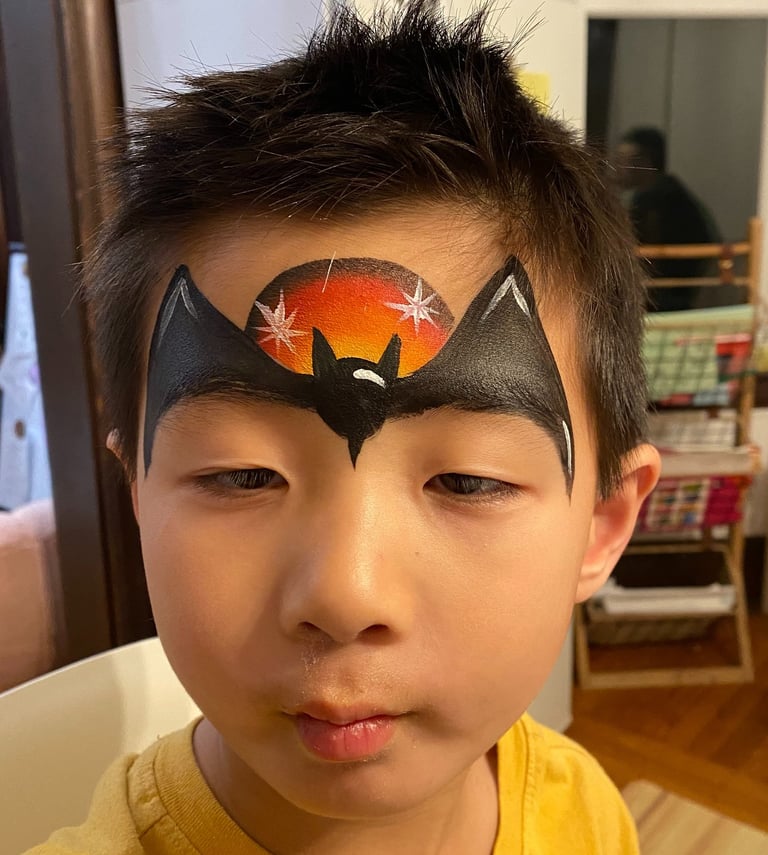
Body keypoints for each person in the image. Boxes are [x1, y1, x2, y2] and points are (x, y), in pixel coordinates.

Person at [27, 3, 660, 853]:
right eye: (241, 475)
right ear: (136, 493)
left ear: (603, 524)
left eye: (467, 481)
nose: (345, 594)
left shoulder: (582, 807)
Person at [614, 126, 721, 311]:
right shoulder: (665, 190)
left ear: (645, 162)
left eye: (623, 162)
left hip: (670, 294)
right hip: (679, 290)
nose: (616, 169)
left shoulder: (658, 199)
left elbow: (646, 256)